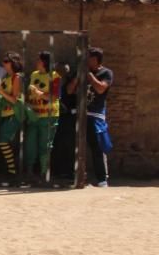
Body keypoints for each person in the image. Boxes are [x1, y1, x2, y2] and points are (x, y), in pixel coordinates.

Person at [68, 46, 113, 187]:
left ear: (96, 60)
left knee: (97, 147)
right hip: (80, 114)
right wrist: (78, 77)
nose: (87, 61)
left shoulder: (106, 73)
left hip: (95, 115)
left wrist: (89, 75)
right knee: (76, 147)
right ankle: (79, 177)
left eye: (89, 59)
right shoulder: (80, 72)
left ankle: (102, 179)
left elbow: (100, 88)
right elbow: (69, 90)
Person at [25, 51, 62, 186]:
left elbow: (54, 97)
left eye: (39, 60)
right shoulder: (34, 75)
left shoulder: (55, 76)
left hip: (49, 116)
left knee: (45, 145)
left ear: (45, 62)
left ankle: (44, 173)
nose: (37, 61)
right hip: (34, 115)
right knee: (30, 143)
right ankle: (29, 172)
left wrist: (38, 93)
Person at [0, 51, 24, 186]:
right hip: (5, 114)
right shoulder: (7, 77)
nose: (4, 64)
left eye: (7, 62)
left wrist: (0, 91)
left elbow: (14, 99)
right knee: (4, 143)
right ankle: (11, 171)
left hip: (14, 114)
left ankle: (13, 172)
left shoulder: (16, 77)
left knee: (3, 142)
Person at [52, 63, 78, 181]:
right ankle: (58, 171)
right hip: (59, 116)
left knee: (69, 145)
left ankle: (70, 171)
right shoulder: (56, 81)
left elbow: (69, 91)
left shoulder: (71, 82)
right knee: (58, 144)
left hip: (69, 117)